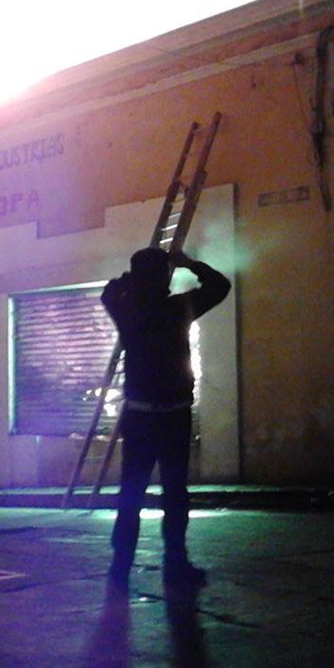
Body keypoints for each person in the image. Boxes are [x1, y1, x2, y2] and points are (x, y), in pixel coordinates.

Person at [101, 247, 230, 590]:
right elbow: (220, 285)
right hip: (174, 416)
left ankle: (121, 565)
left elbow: (109, 291)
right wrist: (188, 263)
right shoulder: (179, 308)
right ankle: (176, 562)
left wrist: (130, 279)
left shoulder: (127, 309)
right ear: (166, 276)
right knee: (175, 492)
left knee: (131, 491)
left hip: (139, 415)